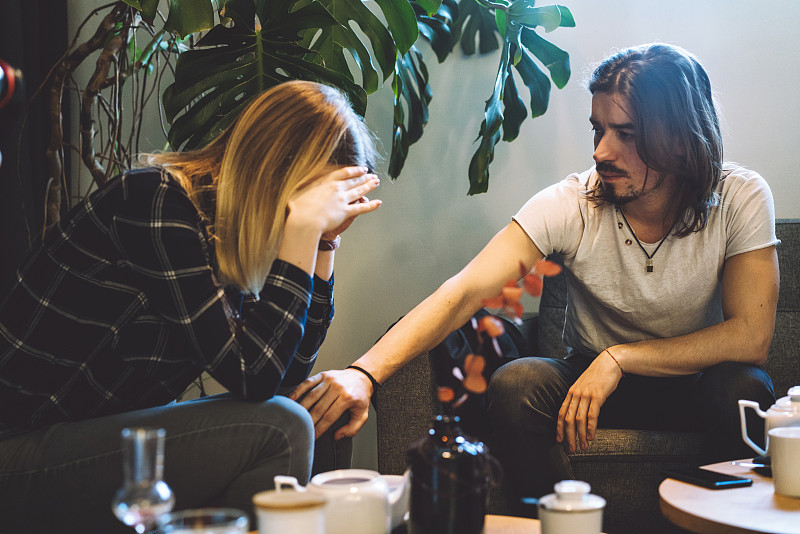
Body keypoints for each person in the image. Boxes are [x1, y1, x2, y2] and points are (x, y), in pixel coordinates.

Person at [290, 43, 779, 506]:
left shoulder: (740, 197)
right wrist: (363, 373)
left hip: (691, 382)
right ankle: (557, 524)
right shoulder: (573, 202)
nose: (601, 152)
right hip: (586, 381)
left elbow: (750, 336)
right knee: (518, 382)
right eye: (597, 130)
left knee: (745, 388)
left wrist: (621, 358)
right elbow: (465, 291)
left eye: (625, 134)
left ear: (677, 137)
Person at [0, 80, 381, 532]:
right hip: (18, 452)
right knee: (281, 427)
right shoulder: (155, 202)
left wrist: (324, 243)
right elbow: (253, 376)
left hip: (91, 445)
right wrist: (302, 229)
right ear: (278, 174)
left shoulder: (220, 238)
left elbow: (284, 374)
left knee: (305, 412)